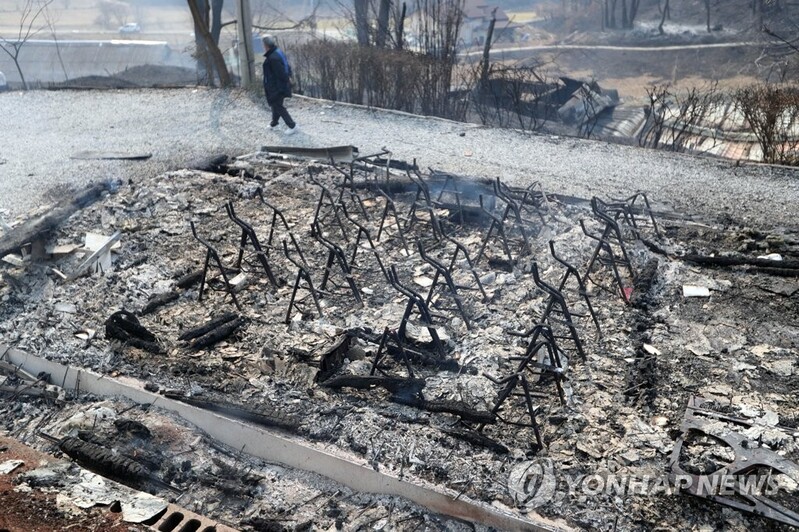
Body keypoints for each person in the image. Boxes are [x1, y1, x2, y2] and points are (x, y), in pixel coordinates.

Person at [262, 35, 297, 135]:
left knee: (277, 105)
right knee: (275, 104)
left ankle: (292, 125)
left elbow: (280, 73)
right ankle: (274, 123)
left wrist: (286, 81)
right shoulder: (277, 52)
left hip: (277, 86)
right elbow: (287, 67)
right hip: (280, 85)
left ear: (265, 45)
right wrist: (289, 78)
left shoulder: (273, 57)